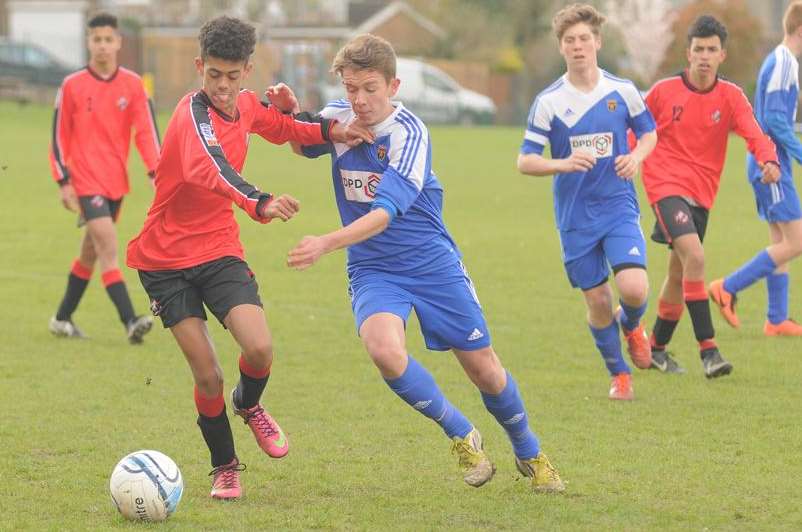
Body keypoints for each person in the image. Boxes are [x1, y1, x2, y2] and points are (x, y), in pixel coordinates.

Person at [286, 33, 564, 492]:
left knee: (485, 369)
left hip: (431, 266)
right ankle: (461, 433)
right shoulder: (338, 117)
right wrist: (289, 113)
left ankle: (529, 450)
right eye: (351, 88)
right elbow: (302, 144)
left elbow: (383, 214)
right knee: (384, 350)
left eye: (370, 88)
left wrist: (326, 243)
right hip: (373, 269)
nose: (359, 100)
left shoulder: (411, 133)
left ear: (393, 87)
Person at [125, 16, 372, 500]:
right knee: (208, 373)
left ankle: (249, 404)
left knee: (259, 349)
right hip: (165, 260)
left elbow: (283, 126)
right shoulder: (191, 116)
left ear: (247, 71)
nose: (222, 86)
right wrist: (259, 201)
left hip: (218, 249)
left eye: (232, 76)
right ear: (199, 66)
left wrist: (338, 130)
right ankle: (225, 467)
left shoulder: (243, 105)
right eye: (213, 74)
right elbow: (213, 169)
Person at [517, 3, 657, 400]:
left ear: (597, 41)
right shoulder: (549, 101)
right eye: (569, 41)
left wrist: (636, 157)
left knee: (633, 289)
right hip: (575, 216)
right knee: (598, 300)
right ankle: (620, 375)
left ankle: (631, 325)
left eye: (583, 38)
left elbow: (649, 134)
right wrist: (562, 163)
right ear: (561, 48)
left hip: (617, 206)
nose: (578, 46)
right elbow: (525, 160)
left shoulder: (622, 91)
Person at [640, 15, 780, 377]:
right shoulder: (663, 92)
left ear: (722, 55)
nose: (704, 55)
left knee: (678, 272)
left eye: (711, 49)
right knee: (697, 258)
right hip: (665, 185)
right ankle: (709, 350)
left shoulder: (731, 97)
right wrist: (627, 163)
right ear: (688, 53)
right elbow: (636, 130)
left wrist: (768, 159)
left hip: (702, 194)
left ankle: (655, 348)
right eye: (698, 49)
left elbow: (754, 133)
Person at [49, 12, 160, 343]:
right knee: (109, 247)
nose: (102, 46)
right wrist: (63, 181)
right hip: (84, 180)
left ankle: (61, 318)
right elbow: (58, 137)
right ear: (89, 43)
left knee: (90, 253)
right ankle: (130, 320)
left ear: (118, 43)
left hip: (115, 183)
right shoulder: (71, 85)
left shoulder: (133, 85)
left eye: (108, 39)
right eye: (96, 39)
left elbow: (146, 132)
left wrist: (156, 171)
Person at [710, 1, 802, 337]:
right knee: (797, 240)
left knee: (782, 238)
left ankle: (776, 319)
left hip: (772, 162)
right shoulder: (783, 62)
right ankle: (727, 288)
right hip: (770, 164)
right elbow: (776, 120)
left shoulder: (784, 61)